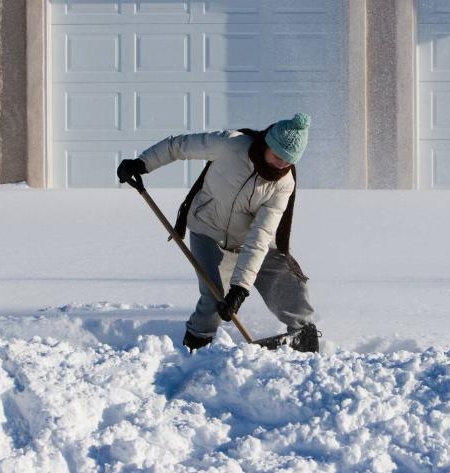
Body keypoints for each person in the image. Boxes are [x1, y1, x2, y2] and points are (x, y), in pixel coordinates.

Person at [117, 113, 319, 352]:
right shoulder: (231, 144)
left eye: (289, 161)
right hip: (208, 232)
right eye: (278, 156)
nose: (282, 165)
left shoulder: (283, 184)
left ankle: (303, 336)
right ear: (268, 144)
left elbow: (260, 236)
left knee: (286, 280)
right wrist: (142, 164)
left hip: (248, 241)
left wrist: (240, 289)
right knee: (214, 299)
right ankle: (195, 347)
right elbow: (179, 146)